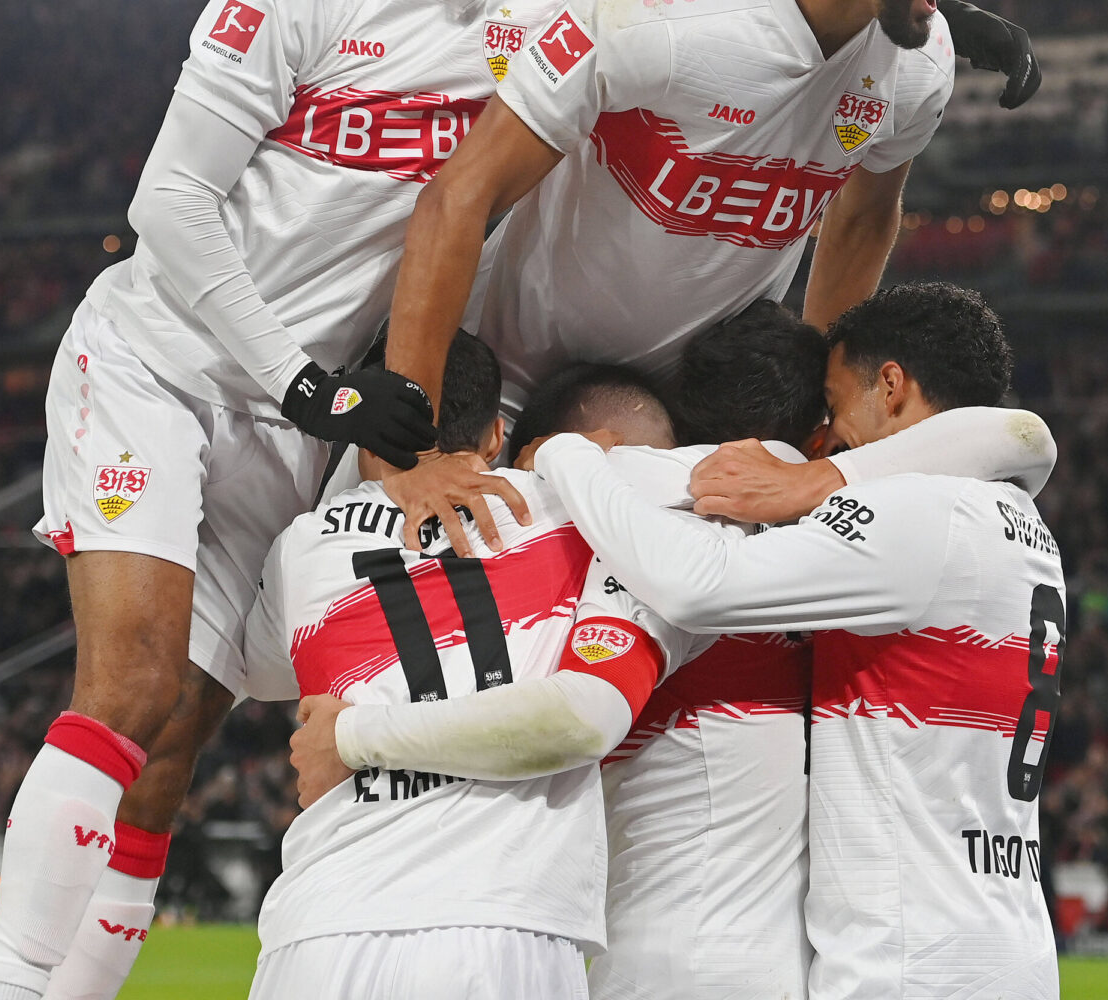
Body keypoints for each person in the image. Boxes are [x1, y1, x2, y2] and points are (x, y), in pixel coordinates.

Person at [0, 0, 567, 1000]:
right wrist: (303, 381)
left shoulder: (535, 19)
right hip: (160, 363)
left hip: (295, 419)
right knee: (131, 685)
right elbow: (169, 202)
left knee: (175, 745)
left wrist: (895, 26)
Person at [310, 282, 1066, 999]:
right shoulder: (1002, 514)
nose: (833, 439)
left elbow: (678, 604)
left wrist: (568, 455)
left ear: (892, 386)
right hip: (972, 942)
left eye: (839, 411)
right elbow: (1024, 438)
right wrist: (826, 475)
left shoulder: (850, 515)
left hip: (864, 967)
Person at [380, 0, 1042, 549]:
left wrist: (814, 413)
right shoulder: (659, 8)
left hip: (687, 421)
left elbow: (861, 220)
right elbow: (459, 196)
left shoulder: (918, 67)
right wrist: (410, 447)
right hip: (505, 383)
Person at [238, 331, 685, 999]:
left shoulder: (299, 548)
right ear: (497, 434)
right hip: (499, 924)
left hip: (319, 928)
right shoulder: (577, 514)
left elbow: (262, 671)